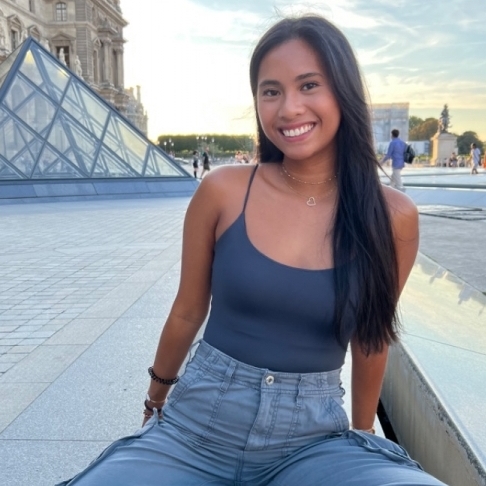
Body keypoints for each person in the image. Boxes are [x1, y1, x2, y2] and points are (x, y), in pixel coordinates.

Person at [57, 14, 446, 486]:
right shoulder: (223, 190)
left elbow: (371, 337)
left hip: (315, 442)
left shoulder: (392, 215)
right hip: (196, 428)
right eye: (270, 91)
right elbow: (187, 310)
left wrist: (363, 437)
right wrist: (155, 401)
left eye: (308, 85)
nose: (288, 108)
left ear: (343, 91)